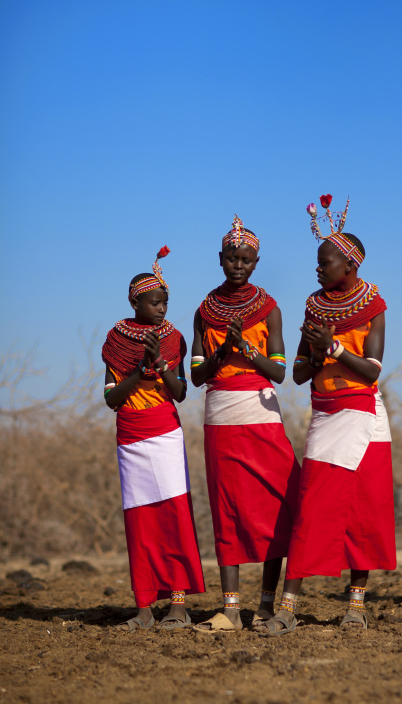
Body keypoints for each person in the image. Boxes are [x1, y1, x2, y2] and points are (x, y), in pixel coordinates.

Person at [257, 195, 396, 636]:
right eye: (318, 262)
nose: (318, 269)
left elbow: (373, 371)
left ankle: (355, 604)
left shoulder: (373, 304)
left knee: (364, 509)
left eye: (325, 262)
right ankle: (289, 606)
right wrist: (317, 354)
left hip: (364, 413)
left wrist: (335, 348)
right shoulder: (314, 307)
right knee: (312, 506)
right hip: (326, 414)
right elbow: (298, 374)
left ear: (349, 266)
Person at [190, 215, 300, 632]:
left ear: (256, 262)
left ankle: (267, 604)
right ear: (220, 259)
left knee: (277, 502)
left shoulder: (269, 309)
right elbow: (198, 375)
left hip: (260, 413)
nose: (239, 265)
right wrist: (221, 356)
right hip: (220, 415)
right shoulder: (205, 310)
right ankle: (231, 609)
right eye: (232, 258)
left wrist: (244, 349)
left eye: (247, 259)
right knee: (227, 506)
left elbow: (278, 371)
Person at [102, 246, 205, 631]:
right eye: (154, 302)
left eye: (165, 302)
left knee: (174, 516)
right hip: (130, 434)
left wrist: (159, 364)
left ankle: (179, 603)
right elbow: (112, 397)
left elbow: (179, 392)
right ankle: (144, 607)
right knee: (139, 521)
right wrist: (139, 370)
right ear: (135, 301)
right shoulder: (116, 340)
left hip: (164, 432)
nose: (162, 309)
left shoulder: (173, 338)